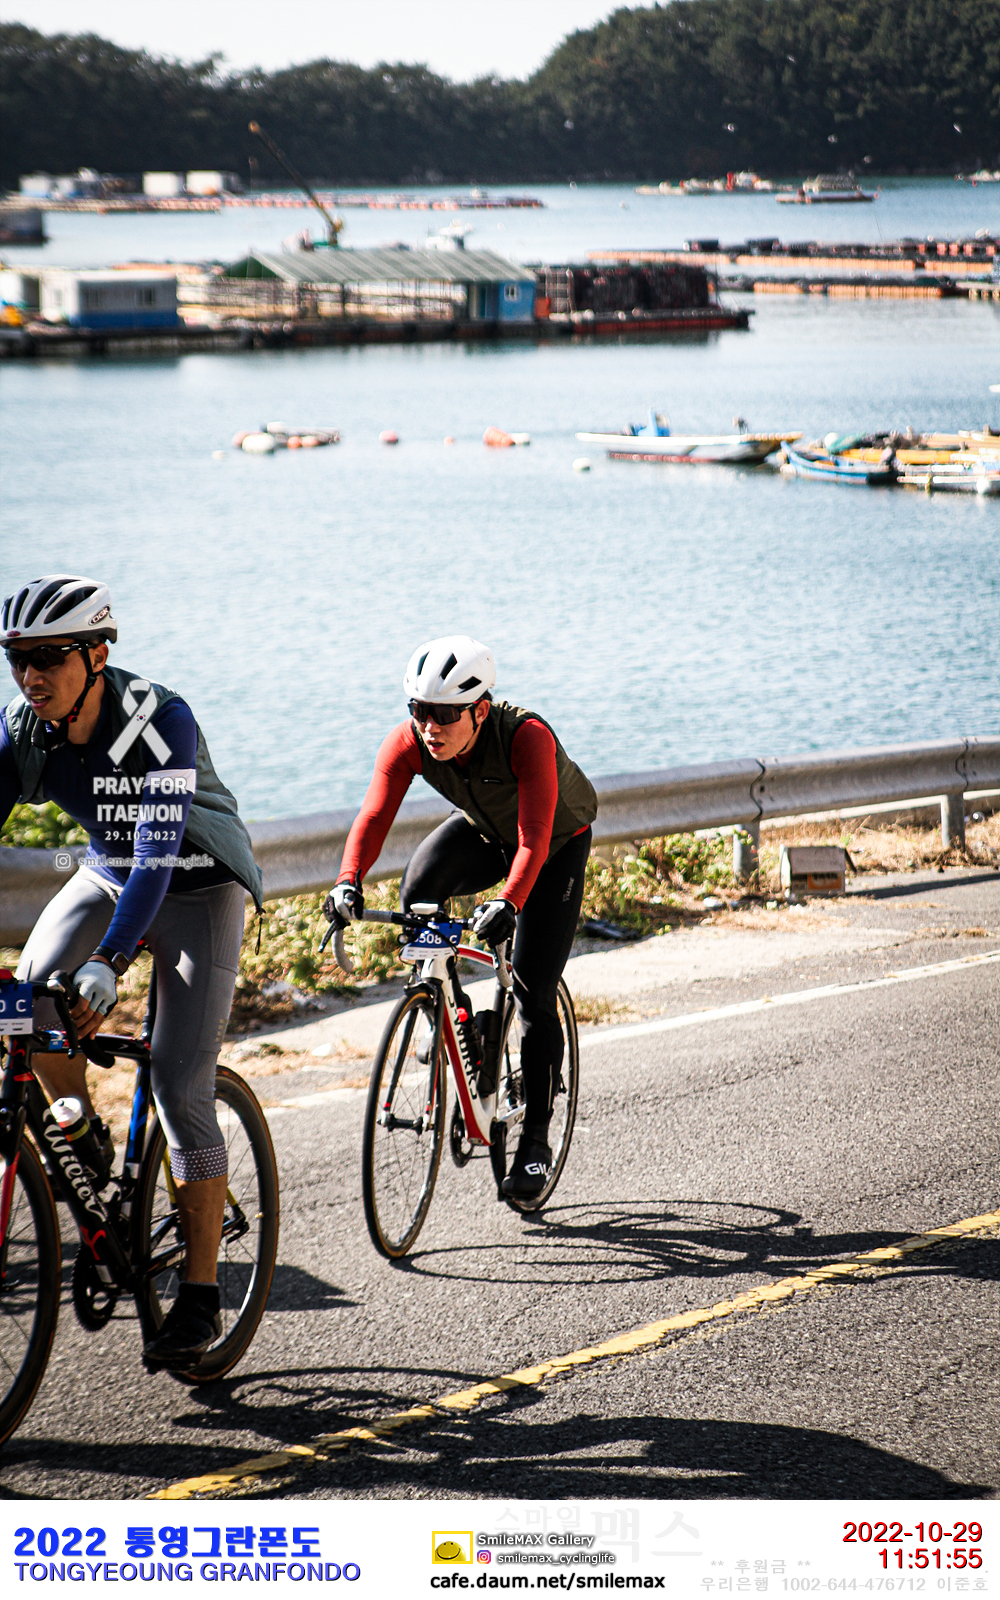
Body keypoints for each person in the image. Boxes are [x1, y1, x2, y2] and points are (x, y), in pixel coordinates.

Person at [0, 575, 262, 1367]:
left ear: (97, 654)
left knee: (181, 1087)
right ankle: (83, 1135)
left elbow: (157, 849)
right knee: (25, 1010)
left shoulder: (160, 719)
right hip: (109, 874)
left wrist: (111, 961)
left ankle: (202, 1294)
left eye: (50, 657)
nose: (31, 675)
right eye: (17, 658)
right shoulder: (26, 728)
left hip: (196, 884)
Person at [325, 634, 596, 1198]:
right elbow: (373, 816)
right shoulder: (410, 741)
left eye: (445, 714)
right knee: (419, 889)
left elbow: (535, 837)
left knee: (533, 990)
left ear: (479, 710)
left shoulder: (527, 738)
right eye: (419, 710)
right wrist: (347, 879)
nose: (430, 726)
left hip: (553, 845)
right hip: (486, 832)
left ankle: (536, 1140)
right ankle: (455, 1018)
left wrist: (510, 902)